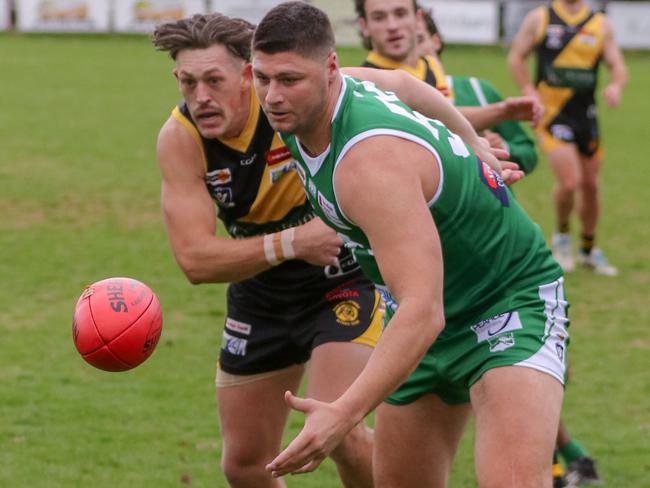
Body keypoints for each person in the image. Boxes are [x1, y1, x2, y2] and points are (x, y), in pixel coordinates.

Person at [151, 12, 501, 488]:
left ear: (247, 74)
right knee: (245, 466)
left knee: (343, 431)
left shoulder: (290, 93)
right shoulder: (181, 138)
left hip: (342, 277)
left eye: (214, 80)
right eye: (188, 82)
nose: (201, 97)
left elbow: (402, 84)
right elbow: (194, 259)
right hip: (261, 293)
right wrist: (292, 242)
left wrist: (471, 141)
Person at [252, 3, 568, 487]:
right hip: (420, 315)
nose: (272, 96)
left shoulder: (370, 164)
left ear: (330, 68)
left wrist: (342, 414)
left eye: (289, 80)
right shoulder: (305, 101)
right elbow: (402, 84)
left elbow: (425, 308)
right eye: (262, 77)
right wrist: (471, 139)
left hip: (504, 300)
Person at [508, 0, 627, 275]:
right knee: (570, 181)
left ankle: (588, 249)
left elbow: (617, 65)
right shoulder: (540, 18)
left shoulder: (600, 24)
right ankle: (562, 239)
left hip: (586, 116)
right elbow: (516, 56)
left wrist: (615, 86)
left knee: (591, 186)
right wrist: (529, 89)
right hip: (553, 116)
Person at [354, 0, 543, 132]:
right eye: (379, 17)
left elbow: (446, 119)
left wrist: (486, 132)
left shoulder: (430, 64)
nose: (392, 25)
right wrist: (498, 112)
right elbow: (431, 125)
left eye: (401, 13)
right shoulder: (366, 83)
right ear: (364, 26)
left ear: (418, 18)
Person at [416, 9, 538, 174]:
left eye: (419, 39)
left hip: (490, 198)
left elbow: (528, 154)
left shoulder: (477, 90)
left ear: (436, 41)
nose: (413, 49)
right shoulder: (391, 100)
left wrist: (503, 147)